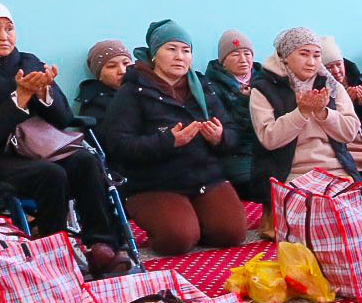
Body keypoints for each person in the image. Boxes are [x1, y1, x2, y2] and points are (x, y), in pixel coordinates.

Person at [0, 0, 131, 274]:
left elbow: (64, 118)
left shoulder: (27, 61)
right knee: (51, 174)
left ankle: (101, 245)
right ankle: (54, 253)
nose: (4, 36)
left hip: (41, 145)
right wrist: (19, 99)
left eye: (9, 28)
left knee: (85, 161)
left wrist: (43, 93)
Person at [94, 21, 247, 257]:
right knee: (177, 239)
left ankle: (196, 221)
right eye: (171, 49)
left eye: (185, 51)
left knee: (232, 234)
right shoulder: (133, 91)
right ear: (155, 55)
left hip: (205, 178)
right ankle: (182, 224)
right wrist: (168, 142)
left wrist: (219, 137)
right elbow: (117, 145)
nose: (179, 57)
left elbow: (232, 131)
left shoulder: (202, 87)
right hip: (154, 184)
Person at [247, 27, 362, 206]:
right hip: (290, 174)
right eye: (304, 54)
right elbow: (269, 138)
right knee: (316, 210)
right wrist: (301, 112)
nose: (311, 62)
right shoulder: (264, 88)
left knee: (357, 210)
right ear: (285, 56)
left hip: (336, 170)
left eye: (317, 55)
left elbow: (350, 132)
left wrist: (323, 113)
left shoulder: (331, 85)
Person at [205, 30, 260, 201]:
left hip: (268, 151)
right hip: (236, 155)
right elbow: (230, 133)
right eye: (235, 54)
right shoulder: (210, 88)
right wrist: (243, 103)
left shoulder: (266, 80)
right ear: (223, 62)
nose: (243, 59)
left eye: (247, 54)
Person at [75, 40, 133, 131]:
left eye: (126, 63)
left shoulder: (143, 90)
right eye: (112, 66)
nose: (122, 71)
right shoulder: (95, 106)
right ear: (99, 75)